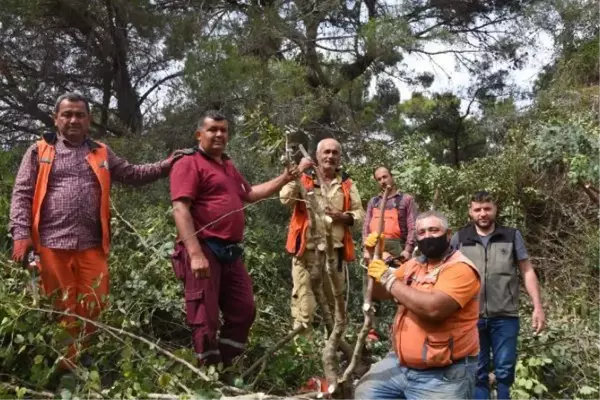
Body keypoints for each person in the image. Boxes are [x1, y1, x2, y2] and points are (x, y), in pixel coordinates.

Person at [9, 92, 182, 374]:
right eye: (67, 114)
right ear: (56, 119)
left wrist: (166, 165)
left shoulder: (101, 151)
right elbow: (22, 193)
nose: (73, 120)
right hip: (51, 245)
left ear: (89, 120)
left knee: (94, 304)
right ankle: (67, 370)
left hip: (92, 244)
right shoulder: (39, 151)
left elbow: (132, 173)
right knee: (62, 309)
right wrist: (20, 234)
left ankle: (85, 357)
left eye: (80, 114)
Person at [169, 110, 311, 367]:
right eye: (213, 130)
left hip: (230, 251)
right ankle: (207, 375)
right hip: (204, 249)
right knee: (205, 316)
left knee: (244, 309)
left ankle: (226, 366)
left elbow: (251, 193)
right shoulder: (188, 163)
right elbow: (180, 209)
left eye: (223, 130)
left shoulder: (227, 165)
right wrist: (195, 254)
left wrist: (286, 177)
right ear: (199, 134)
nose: (219, 134)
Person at [355, 210, 480, 399]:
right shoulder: (414, 265)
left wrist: (388, 278)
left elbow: (434, 309)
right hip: (401, 364)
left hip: (443, 373)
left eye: (433, 230)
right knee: (366, 391)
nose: (427, 236)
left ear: (448, 234)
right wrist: (374, 257)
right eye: (421, 232)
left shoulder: (461, 268)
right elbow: (378, 292)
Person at [451, 191, 546, 400]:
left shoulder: (511, 236)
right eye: (477, 209)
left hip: (505, 315)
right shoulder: (460, 238)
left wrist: (538, 307)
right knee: (477, 372)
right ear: (470, 212)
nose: (482, 214)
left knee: (505, 372)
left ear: (495, 210)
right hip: (470, 317)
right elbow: (444, 271)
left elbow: (527, 270)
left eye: (487, 209)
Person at [279, 138, 364, 331]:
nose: (330, 156)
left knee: (335, 308)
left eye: (334, 153)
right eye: (326, 152)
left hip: (335, 256)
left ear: (339, 157)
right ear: (317, 156)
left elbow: (360, 214)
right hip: (306, 255)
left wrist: (343, 216)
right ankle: (303, 357)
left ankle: (333, 352)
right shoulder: (304, 179)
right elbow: (284, 198)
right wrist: (299, 169)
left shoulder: (347, 184)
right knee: (305, 309)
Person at [362, 165, 418, 340]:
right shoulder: (374, 202)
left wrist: (408, 250)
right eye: (379, 179)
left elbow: (413, 226)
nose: (383, 181)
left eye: (385, 177)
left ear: (391, 177)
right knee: (371, 288)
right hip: (375, 247)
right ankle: (371, 330)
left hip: (397, 250)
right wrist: (366, 248)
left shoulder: (406, 200)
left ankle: (401, 329)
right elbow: (366, 225)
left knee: (399, 287)